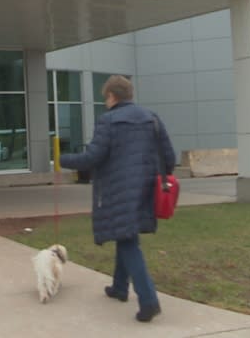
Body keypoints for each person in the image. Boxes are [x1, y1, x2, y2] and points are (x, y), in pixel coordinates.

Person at [59, 75, 175, 322]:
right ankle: (119, 288)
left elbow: (92, 158)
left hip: (118, 191)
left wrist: (62, 159)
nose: (106, 101)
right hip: (145, 190)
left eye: (106, 97)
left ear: (112, 96)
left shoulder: (108, 121)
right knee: (127, 234)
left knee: (127, 241)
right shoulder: (151, 118)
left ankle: (149, 300)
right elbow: (169, 156)